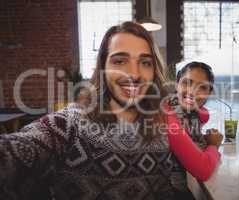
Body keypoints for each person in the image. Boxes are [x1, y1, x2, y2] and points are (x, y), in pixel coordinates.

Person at [0, 21, 197, 200]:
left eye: (145, 62)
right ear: (102, 67)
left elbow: (167, 188)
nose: (134, 74)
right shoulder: (70, 124)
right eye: (120, 61)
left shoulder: (160, 126)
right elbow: (14, 154)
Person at [166, 61, 223, 181]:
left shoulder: (191, 115)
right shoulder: (170, 115)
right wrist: (214, 144)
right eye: (186, 83)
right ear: (177, 84)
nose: (192, 92)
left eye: (202, 87)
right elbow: (203, 169)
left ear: (209, 93)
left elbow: (188, 141)